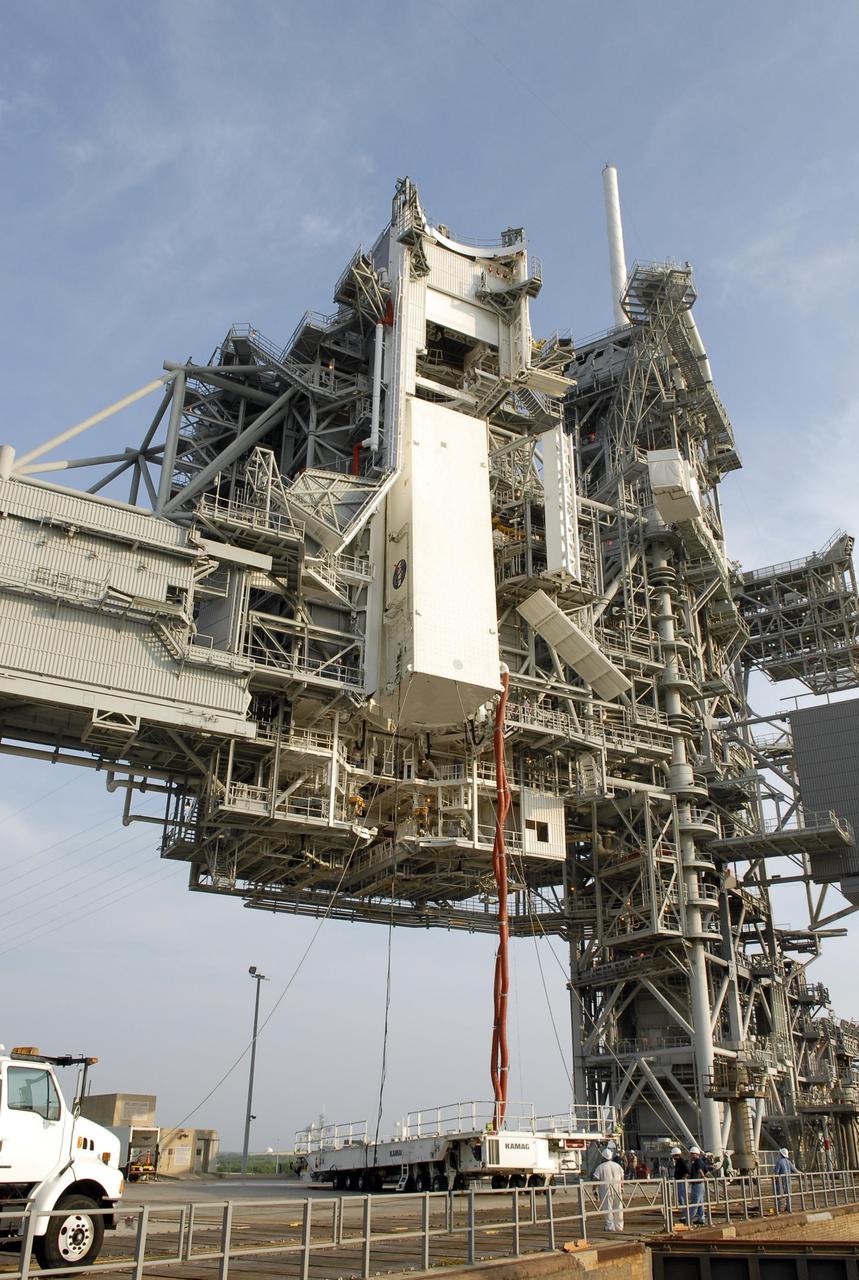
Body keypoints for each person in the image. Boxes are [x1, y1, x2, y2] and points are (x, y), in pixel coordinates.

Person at [593, 1146, 625, 1232]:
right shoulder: (617, 1166)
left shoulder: (600, 1167)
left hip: (605, 1191)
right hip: (617, 1190)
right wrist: (622, 1187)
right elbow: (622, 1177)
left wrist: (594, 1190)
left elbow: (595, 1179)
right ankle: (619, 1226)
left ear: (603, 1157)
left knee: (608, 1208)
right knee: (618, 1207)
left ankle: (610, 1226)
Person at [774, 1147, 798, 1212]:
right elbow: (795, 1171)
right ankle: (788, 1208)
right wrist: (802, 1174)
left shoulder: (779, 1162)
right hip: (788, 1181)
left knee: (779, 1196)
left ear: (781, 1154)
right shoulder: (789, 1162)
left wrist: (776, 1180)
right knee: (788, 1195)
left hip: (780, 1181)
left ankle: (778, 1209)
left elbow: (776, 1173)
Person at [689, 1145, 707, 1225]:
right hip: (700, 1184)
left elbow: (700, 1169)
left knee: (695, 1202)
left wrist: (703, 1177)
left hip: (697, 1184)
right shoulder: (701, 1161)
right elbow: (706, 1170)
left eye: (692, 1154)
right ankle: (701, 1218)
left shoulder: (697, 1161)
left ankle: (689, 1218)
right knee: (700, 1202)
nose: (691, 1155)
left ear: (696, 1154)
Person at [671, 1146, 691, 1223]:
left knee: (682, 1198)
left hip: (681, 1182)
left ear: (676, 1155)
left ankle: (685, 1214)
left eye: (673, 1155)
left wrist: (683, 1179)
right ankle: (684, 1213)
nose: (673, 1157)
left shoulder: (681, 1162)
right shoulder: (678, 1162)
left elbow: (687, 1171)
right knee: (680, 1198)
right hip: (678, 1182)